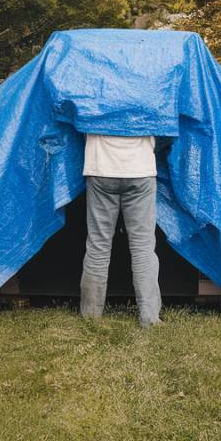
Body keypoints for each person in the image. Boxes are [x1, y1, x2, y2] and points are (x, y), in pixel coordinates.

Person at [79, 133, 161, 327]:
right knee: (143, 248)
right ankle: (149, 319)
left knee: (98, 245)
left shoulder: (93, 99)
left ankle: (91, 317)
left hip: (100, 167)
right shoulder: (150, 99)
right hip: (140, 168)